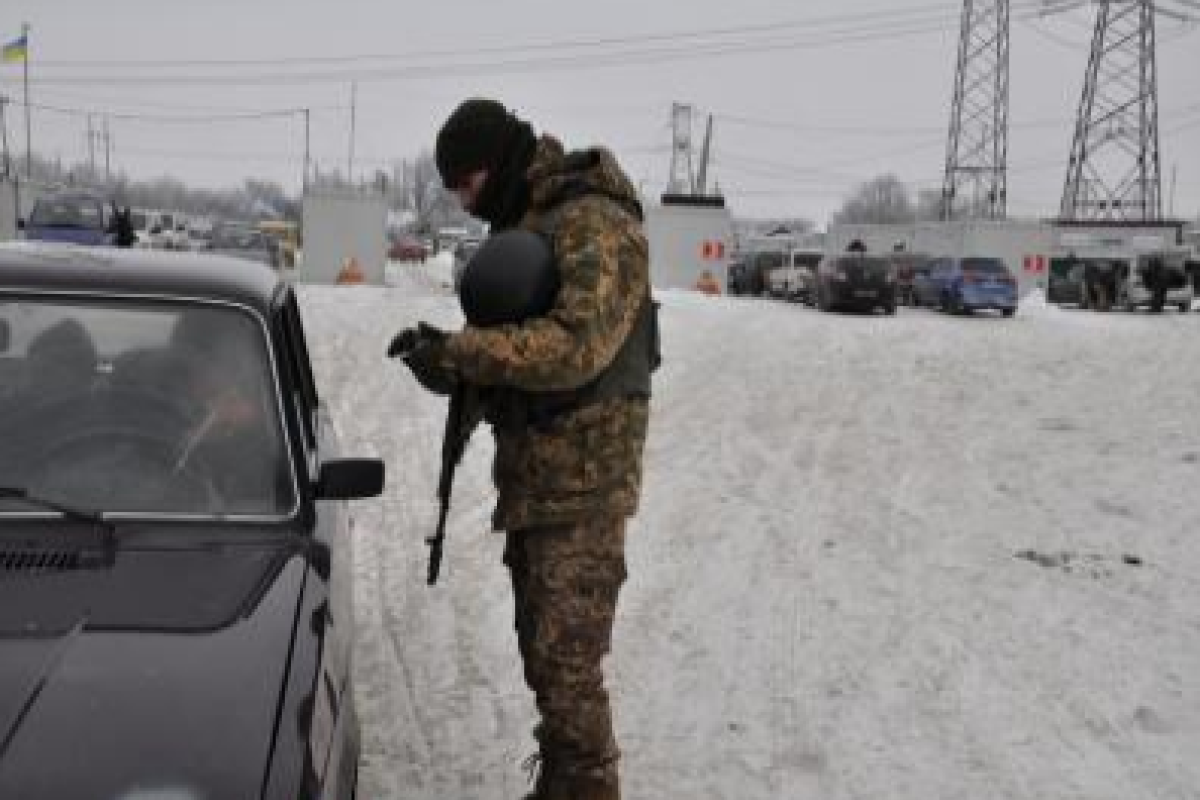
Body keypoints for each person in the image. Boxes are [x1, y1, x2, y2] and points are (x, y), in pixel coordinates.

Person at [390, 98, 655, 800]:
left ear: (496, 163)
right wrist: (447, 363)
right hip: (539, 476)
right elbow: (517, 358)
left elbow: (576, 349)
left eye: (466, 186)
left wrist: (469, 353)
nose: (465, 205)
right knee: (545, 660)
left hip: (584, 482)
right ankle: (564, 785)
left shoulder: (592, 218)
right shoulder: (531, 221)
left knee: (569, 672)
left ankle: (586, 789)